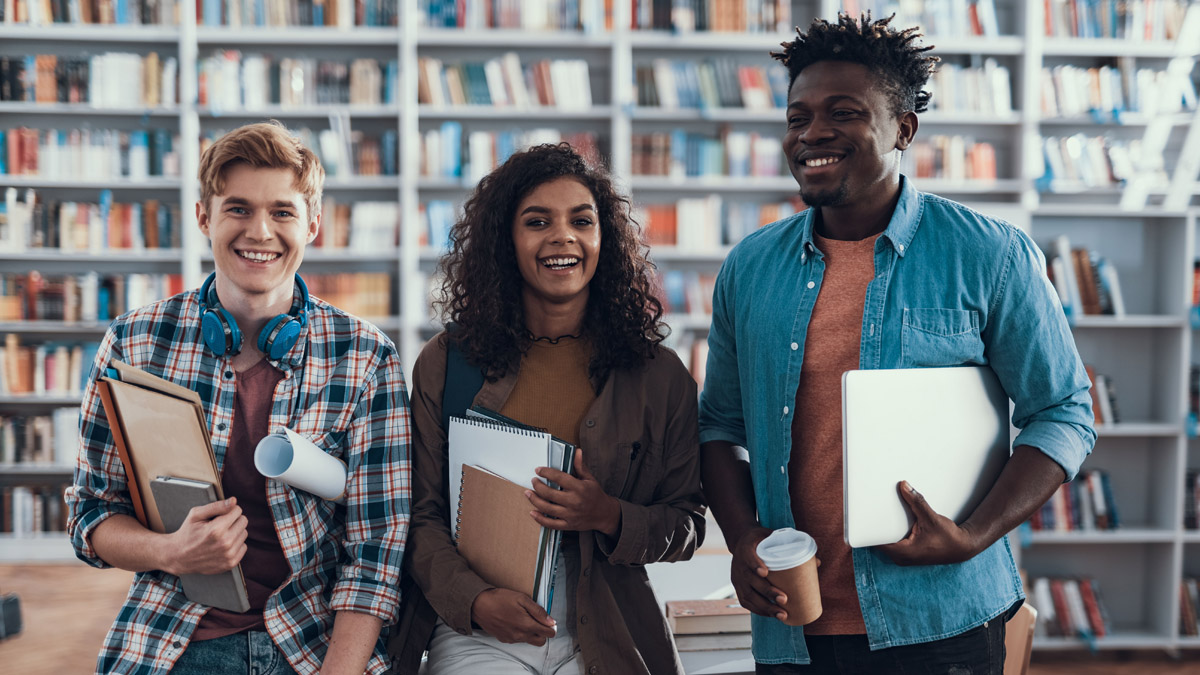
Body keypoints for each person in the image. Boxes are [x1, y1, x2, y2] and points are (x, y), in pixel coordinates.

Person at [698, 14, 1096, 674]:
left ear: (903, 128)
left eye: (843, 112)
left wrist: (972, 536)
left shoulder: (989, 255)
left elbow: (1063, 412)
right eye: (798, 117)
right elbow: (719, 425)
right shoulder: (749, 267)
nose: (812, 133)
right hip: (792, 625)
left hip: (943, 620)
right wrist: (742, 539)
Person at [65, 121, 411, 675]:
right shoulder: (133, 343)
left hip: (316, 642)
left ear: (313, 224)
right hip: (173, 630)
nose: (260, 231)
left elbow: (378, 549)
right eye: (238, 209)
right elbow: (90, 516)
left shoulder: (367, 357)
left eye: (282, 212)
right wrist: (169, 552)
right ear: (205, 216)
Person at [388, 142, 705, 675]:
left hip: (609, 623)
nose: (563, 237)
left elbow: (688, 522)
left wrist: (607, 515)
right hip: (479, 624)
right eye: (538, 221)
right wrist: (475, 600)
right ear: (506, 241)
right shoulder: (445, 363)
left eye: (582, 221)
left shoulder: (659, 374)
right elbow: (419, 517)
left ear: (604, 237)